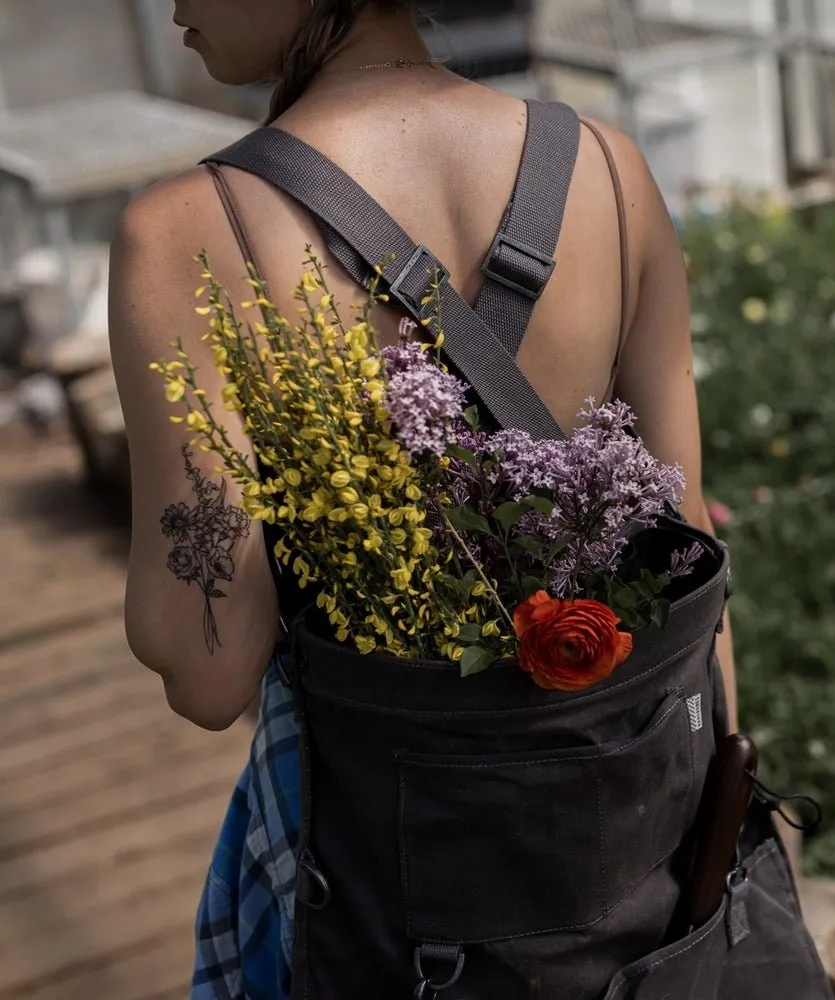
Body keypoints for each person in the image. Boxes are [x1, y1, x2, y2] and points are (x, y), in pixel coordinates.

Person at [109, 1, 738, 996]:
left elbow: (206, 668)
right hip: (623, 861)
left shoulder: (185, 230)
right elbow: (685, 549)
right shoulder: (610, 168)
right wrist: (706, 839)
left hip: (385, 894)